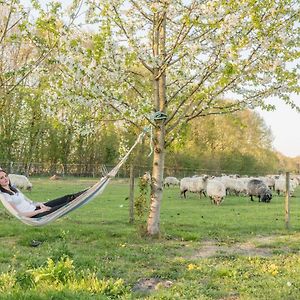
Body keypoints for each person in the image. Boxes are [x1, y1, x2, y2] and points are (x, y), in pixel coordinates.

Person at [0, 169, 87, 218]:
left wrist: (41, 204)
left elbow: (30, 202)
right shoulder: (5, 196)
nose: (5, 178)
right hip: (34, 215)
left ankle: (86, 192)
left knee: (66, 197)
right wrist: (40, 211)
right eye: (1, 178)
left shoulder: (15, 189)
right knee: (65, 205)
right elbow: (19, 214)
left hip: (36, 208)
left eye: (5, 176)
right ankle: (82, 197)